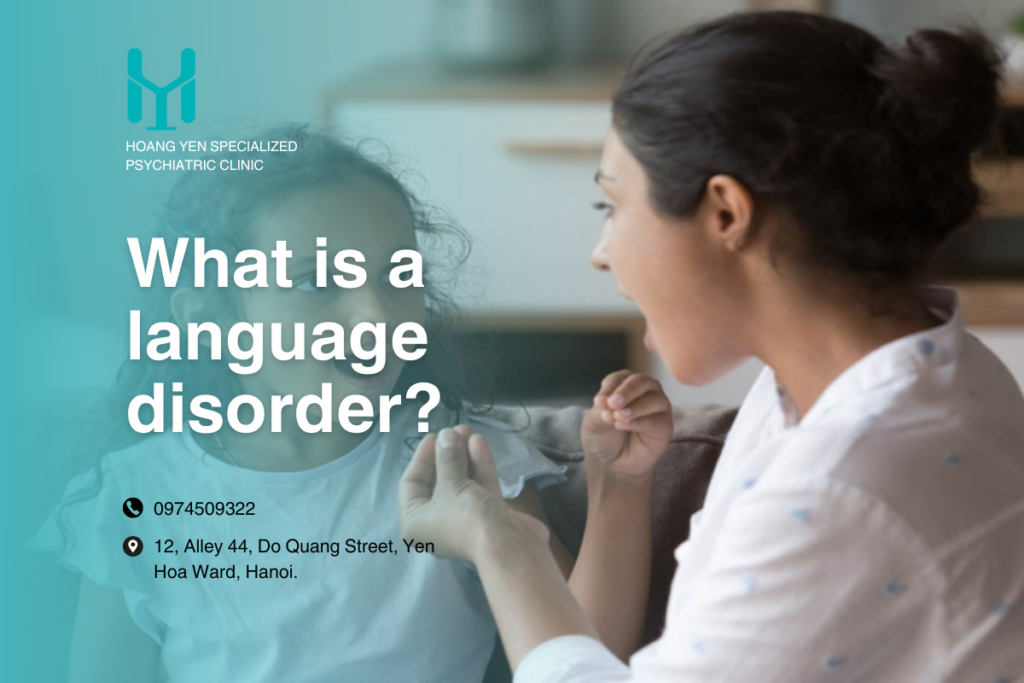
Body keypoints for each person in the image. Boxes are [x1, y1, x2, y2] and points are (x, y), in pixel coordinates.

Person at [397, 12, 1024, 682]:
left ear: (726, 212)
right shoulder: (926, 368)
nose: (601, 253)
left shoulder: (838, 487)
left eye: (612, 206)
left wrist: (503, 544)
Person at [32, 125, 614, 683]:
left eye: (396, 276)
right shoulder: (134, 497)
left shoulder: (465, 463)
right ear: (211, 319)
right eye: (316, 283)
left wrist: (621, 488)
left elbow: (589, 663)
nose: (375, 315)